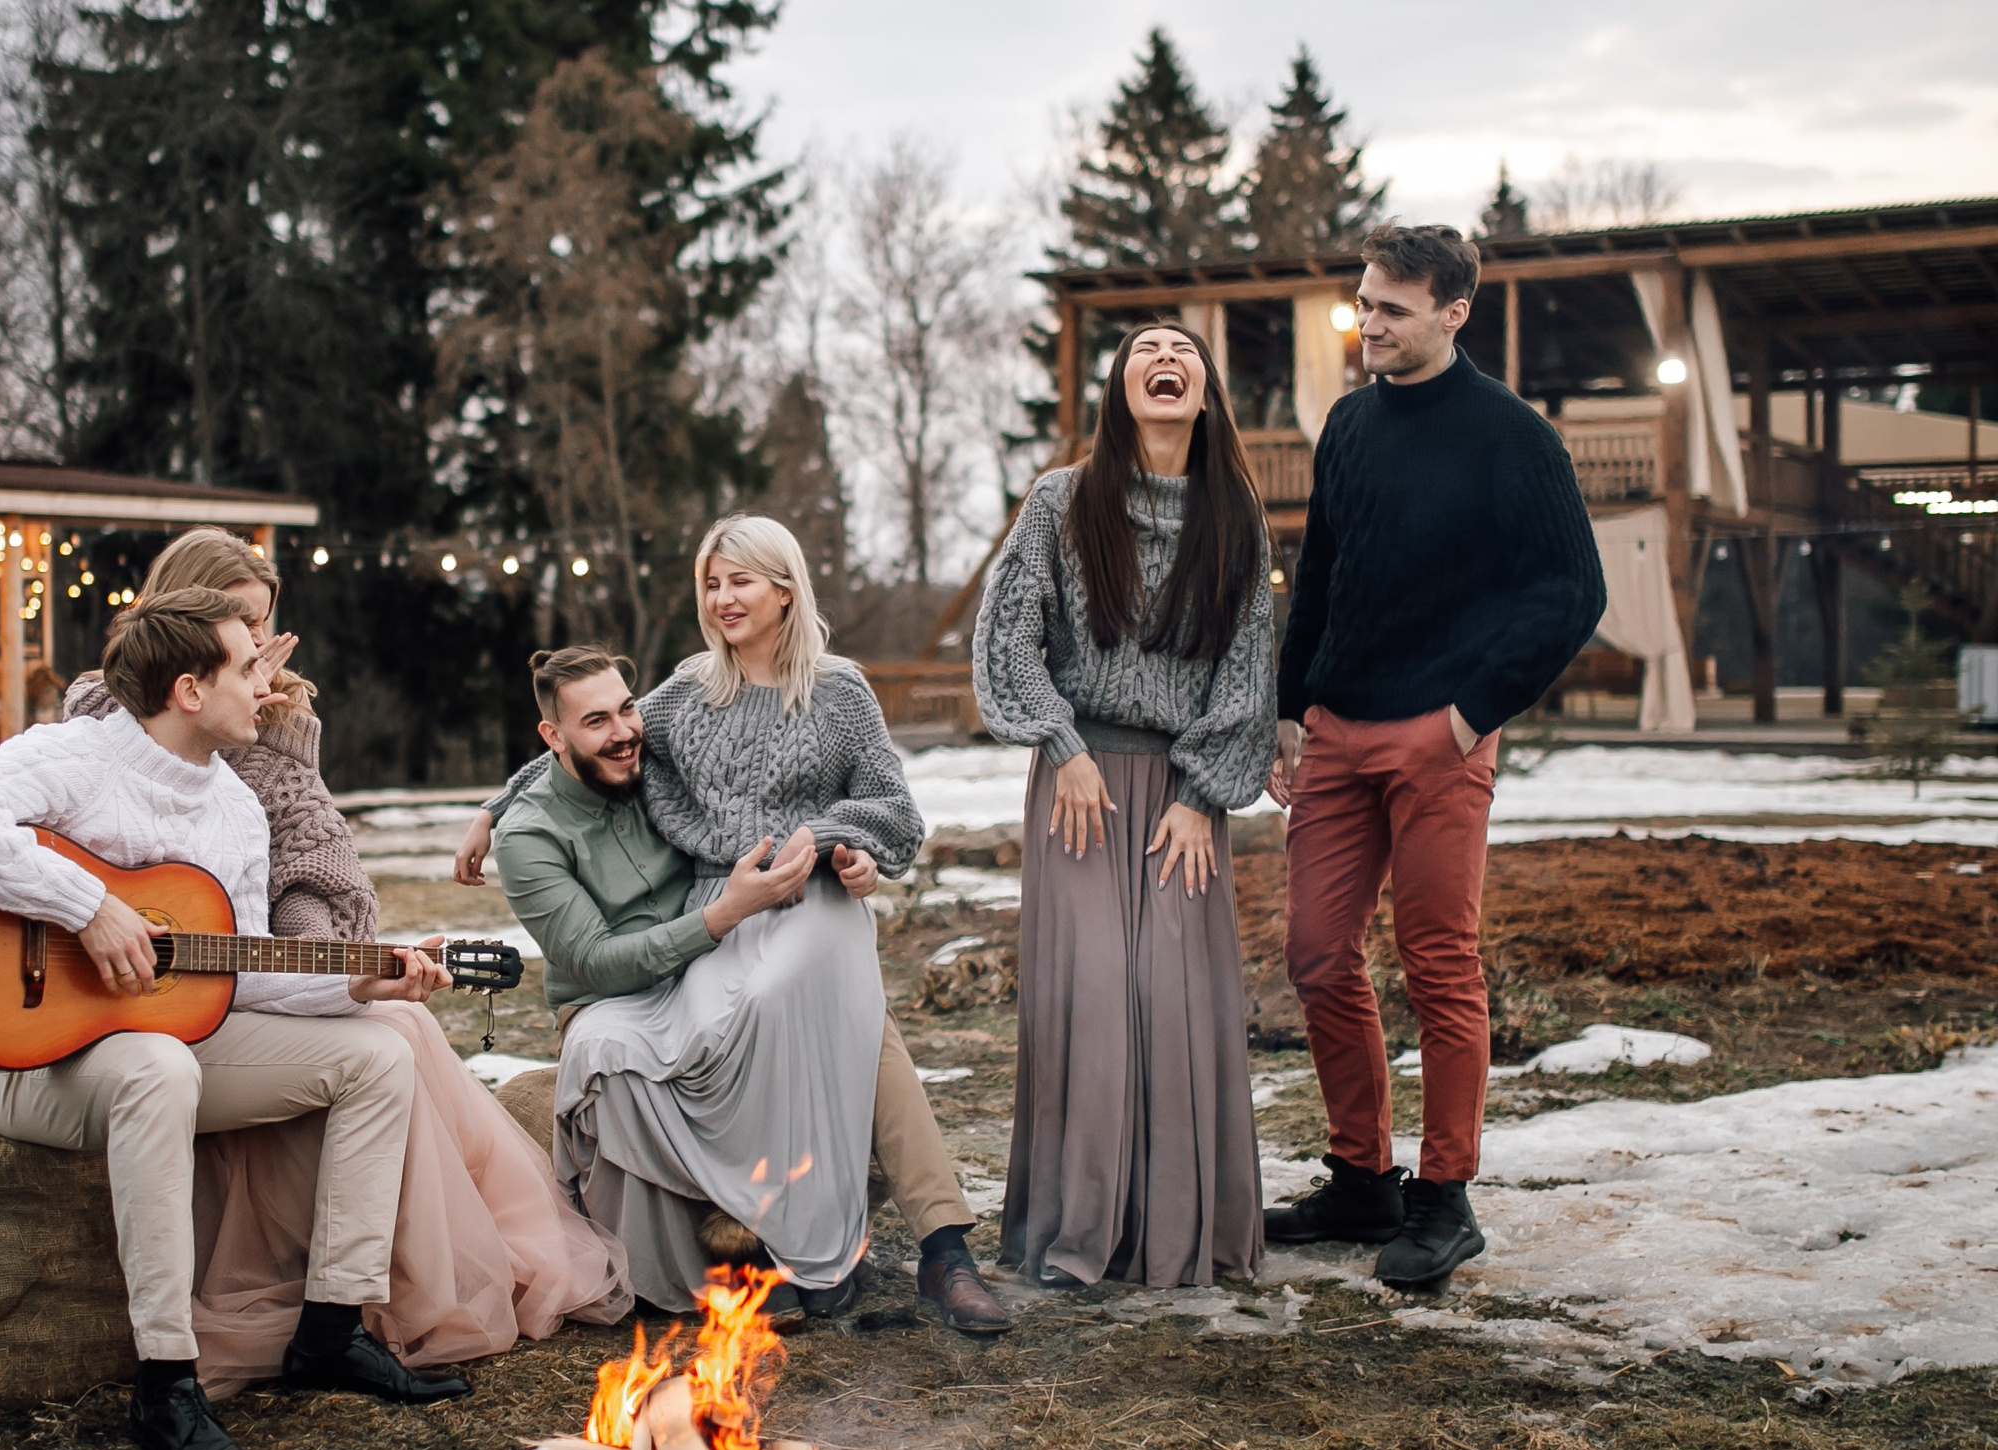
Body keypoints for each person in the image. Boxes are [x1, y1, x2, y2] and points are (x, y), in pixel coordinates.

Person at [0, 587, 460, 1450]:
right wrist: (88, 906)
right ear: (189, 689)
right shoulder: (76, 758)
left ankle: (331, 1326)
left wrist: (357, 977)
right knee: (158, 1066)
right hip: (25, 1053)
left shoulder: (232, 806)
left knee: (379, 1049)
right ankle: (167, 1383)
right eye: (247, 668)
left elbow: (234, 969)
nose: (265, 690)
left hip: (155, 1038)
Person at [61, 530, 630, 1390]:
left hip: (244, 967)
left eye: (265, 630)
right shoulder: (102, 718)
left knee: (393, 1018)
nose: (260, 653)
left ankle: (383, 1292)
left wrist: (330, 953)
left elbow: (304, 865)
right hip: (146, 1001)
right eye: (239, 631)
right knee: (381, 1031)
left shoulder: (273, 726)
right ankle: (382, 1290)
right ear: (186, 635)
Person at [460, 521, 1010, 1333]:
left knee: (792, 993)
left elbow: (896, 808)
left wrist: (848, 849)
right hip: (722, 904)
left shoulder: (840, 691)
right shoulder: (688, 689)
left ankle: (941, 1249)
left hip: (814, 894)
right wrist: (496, 805)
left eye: (741, 582)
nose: (722, 600)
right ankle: (783, 1246)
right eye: (712, 585)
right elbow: (588, 736)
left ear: (785, 588)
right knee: (734, 1023)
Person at [1265, 224, 1605, 1288]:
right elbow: (1318, 573)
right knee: (1317, 954)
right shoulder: (1348, 424)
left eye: (1392, 309)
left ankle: (1444, 1196)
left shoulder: (1512, 437)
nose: (1369, 324)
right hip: (1336, 730)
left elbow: (1570, 592)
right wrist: (1289, 703)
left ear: (1452, 312)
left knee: (1438, 963)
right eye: (1364, 304)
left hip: (1436, 737)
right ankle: (1362, 1178)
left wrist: (1469, 714)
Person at [972, 323, 1276, 1290]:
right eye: (1145, 347)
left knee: (1174, 999)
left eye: (1183, 350)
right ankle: (1078, 1235)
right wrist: (1059, 745)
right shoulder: (1063, 501)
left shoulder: (1233, 513)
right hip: (1082, 785)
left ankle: (1180, 1238)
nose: (1165, 357)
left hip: (1185, 794)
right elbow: (1008, 636)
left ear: (1205, 391)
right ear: (1120, 385)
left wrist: (1200, 794)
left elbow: (1247, 665)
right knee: (1096, 997)